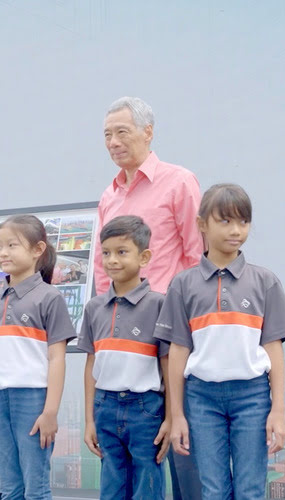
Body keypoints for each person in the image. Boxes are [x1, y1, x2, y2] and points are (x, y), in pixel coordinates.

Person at [155, 184, 285, 499]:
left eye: (243, 221)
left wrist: (278, 409)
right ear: (202, 224)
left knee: (250, 490)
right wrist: (177, 414)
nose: (236, 230)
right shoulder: (183, 285)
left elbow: (274, 350)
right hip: (201, 400)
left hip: (253, 397)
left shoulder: (264, 281)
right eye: (225, 221)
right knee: (213, 490)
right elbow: (178, 352)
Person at [94, 96, 204, 498]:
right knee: (132, 453)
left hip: (171, 330)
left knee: (181, 442)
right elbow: (99, 267)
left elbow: (196, 256)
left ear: (148, 132)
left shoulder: (178, 181)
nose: (113, 142)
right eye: (107, 135)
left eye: (122, 132)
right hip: (124, 337)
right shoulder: (109, 195)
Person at [0, 215, 76, 500]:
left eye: (12, 245)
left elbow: (57, 359)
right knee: (10, 487)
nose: (3, 253)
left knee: (35, 487)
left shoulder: (49, 298)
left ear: (38, 249)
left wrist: (50, 411)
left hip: (32, 400)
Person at [80, 216, 169, 499]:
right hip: (104, 405)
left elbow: (168, 364)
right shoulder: (94, 307)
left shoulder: (159, 304)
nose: (112, 260)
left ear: (144, 257)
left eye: (121, 252)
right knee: (112, 482)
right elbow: (91, 365)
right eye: (106, 253)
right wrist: (89, 420)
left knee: (148, 481)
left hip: (146, 408)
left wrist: (171, 417)